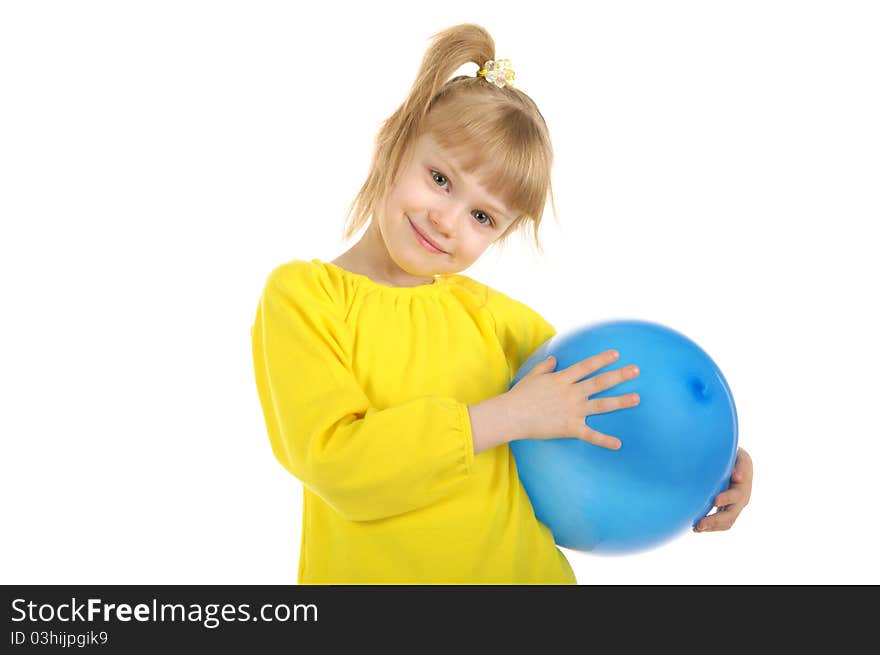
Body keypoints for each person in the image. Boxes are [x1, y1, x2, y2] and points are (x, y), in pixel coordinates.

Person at [250, 23, 753, 584]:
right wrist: (509, 415)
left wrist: (719, 466)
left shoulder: (495, 319)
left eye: (482, 216)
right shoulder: (305, 297)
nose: (447, 220)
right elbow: (338, 464)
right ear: (395, 143)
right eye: (440, 178)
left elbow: (615, 406)